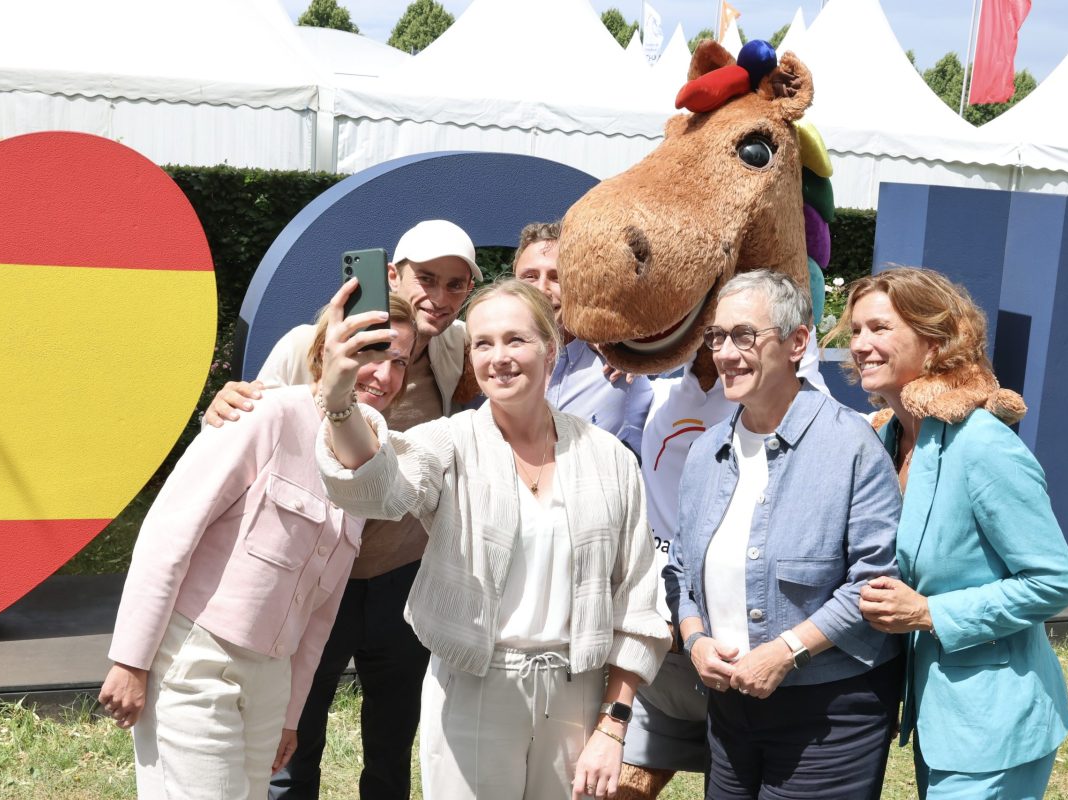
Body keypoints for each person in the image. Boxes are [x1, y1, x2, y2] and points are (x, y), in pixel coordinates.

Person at [316, 279, 671, 800]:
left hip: (576, 694)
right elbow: (378, 488)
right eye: (482, 343)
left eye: (515, 340)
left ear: (550, 350)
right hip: (473, 690)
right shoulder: (451, 441)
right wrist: (340, 402)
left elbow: (637, 599)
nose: (498, 357)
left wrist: (613, 725)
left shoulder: (607, 457)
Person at [97, 288, 417, 800]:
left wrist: (290, 716)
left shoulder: (370, 465)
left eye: (399, 361)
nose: (384, 374)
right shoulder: (264, 414)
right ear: (325, 351)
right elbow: (169, 533)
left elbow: (321, 609)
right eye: (368, 352)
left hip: (271, 677)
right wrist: (131, 661)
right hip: (197, 660)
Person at [202, 220, 478, 800]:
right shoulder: (313, 342)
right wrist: (221, 405)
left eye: (457, 285)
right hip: (315, 574)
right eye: (426, 278)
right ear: (393, 276)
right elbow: (250, 415)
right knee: (294, 730)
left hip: (402, 578)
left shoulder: (455, 353)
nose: (441, 297)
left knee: (392, 737)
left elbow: (535, 322)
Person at [832, 267, 1068, 799]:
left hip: (995, 721)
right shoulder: (884, 438)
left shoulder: (982, 446)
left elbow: (1054, 581)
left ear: (935, 340)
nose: (860, 345)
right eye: (855, 331)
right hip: (940, 718)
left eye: (879, 328)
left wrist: (928, 614)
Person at [664, 270, 903, 800]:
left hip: (828, 713)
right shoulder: (706, 453)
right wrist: (696, 639)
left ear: (797, 343)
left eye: (744, 336)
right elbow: (680, 568)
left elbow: (875, 581)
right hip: (729, 708)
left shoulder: (852, 449)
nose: (726, 353)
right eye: (717, 337)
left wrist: (786, 651)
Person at [512, 221, 652, 453]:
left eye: (557, 277)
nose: (541, 290)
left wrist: (633, 354)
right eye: (529, 276)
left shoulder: (618, 370)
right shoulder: (480, 361)